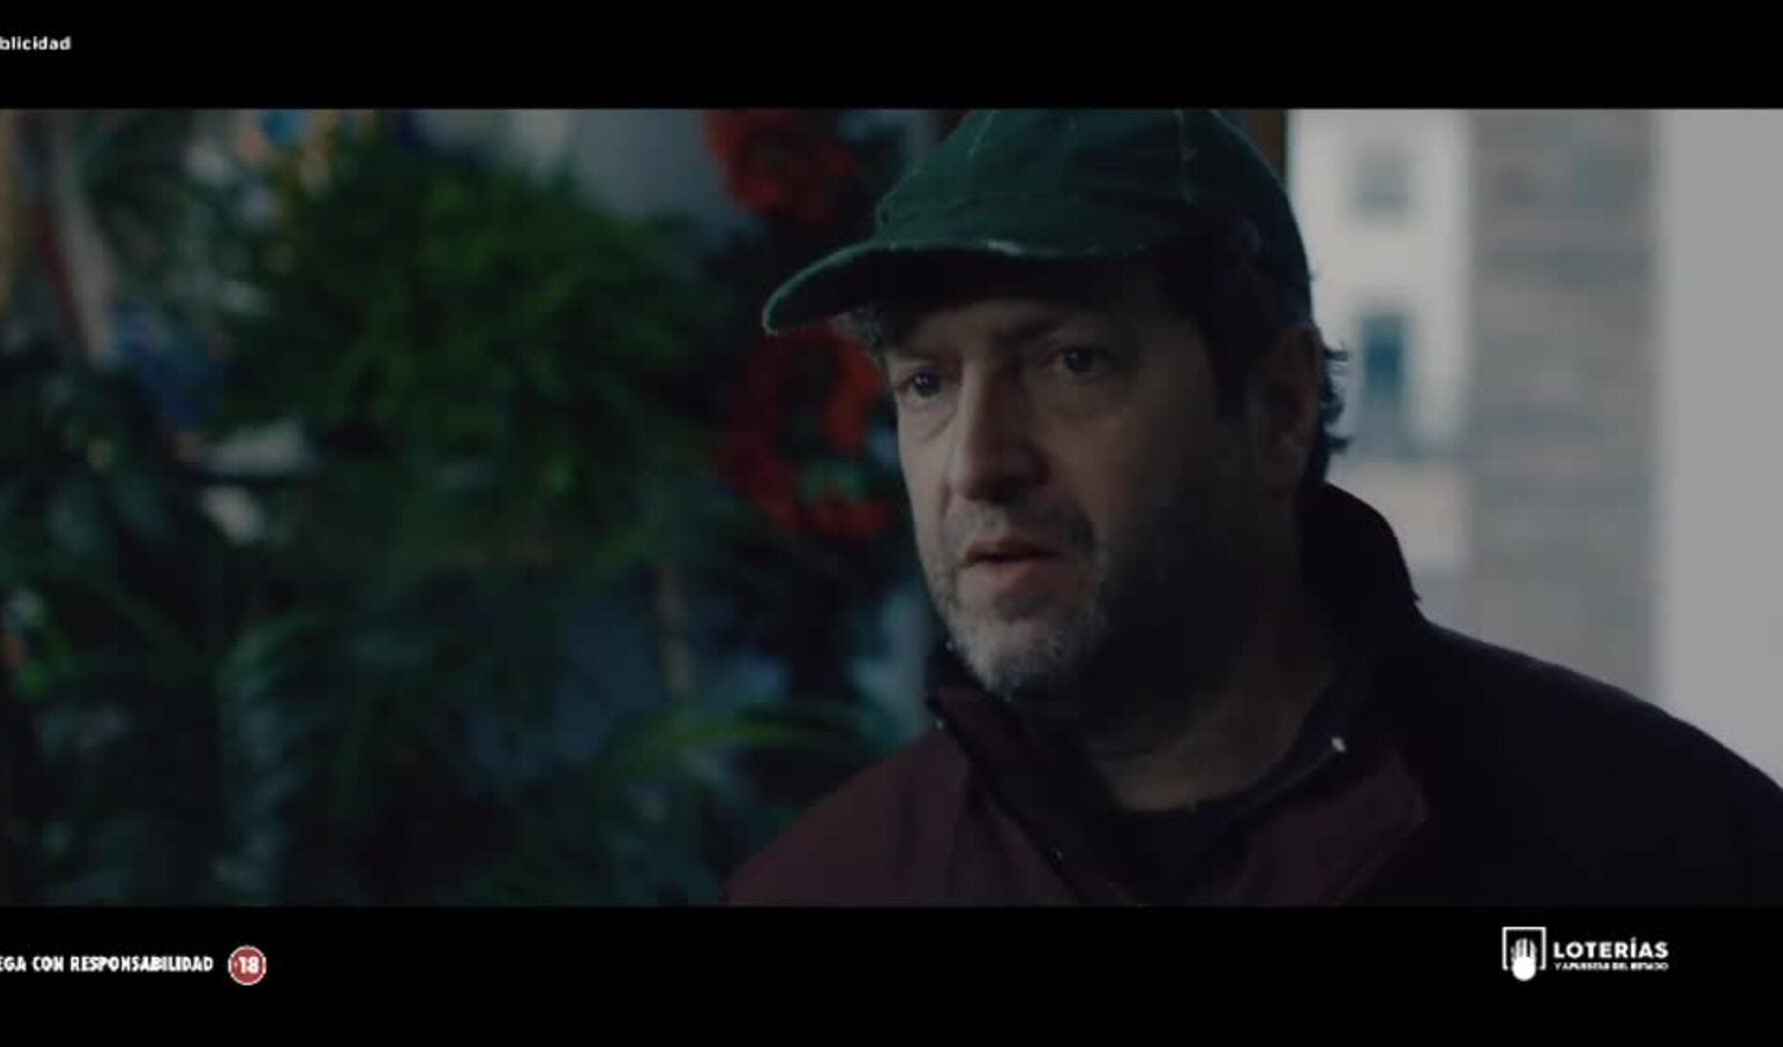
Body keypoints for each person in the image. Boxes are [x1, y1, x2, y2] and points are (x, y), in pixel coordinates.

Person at [720, 109, 1783, 906]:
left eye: (1071, 361)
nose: (978, 463)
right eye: (926, 384)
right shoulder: (828, 887)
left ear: (1278, 407)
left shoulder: (1655, 846)